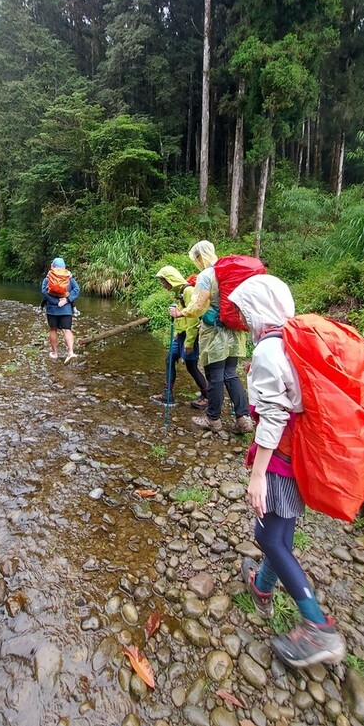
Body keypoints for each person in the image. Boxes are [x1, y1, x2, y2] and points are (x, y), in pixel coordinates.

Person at [228, 273, 346, 668]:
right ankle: (262, 588)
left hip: (280, 457)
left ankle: (318, 628)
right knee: (281, 529)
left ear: (258, 310)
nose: (243, 318)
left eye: (245, 310)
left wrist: (258, 474)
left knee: (268, 537)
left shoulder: (267, 351)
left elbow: (274, 416)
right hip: (303, 452)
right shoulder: (291, 340)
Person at [170, 240, 254, 433]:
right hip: (234, 329)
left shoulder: (207, 275)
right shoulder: (228, 271)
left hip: (215, 333)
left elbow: (198, 305)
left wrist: (181, 313)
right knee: (230, 374)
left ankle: (213, 419)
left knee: (215, 375)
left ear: (199, 257)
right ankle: (244, 419)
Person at [150, 266, 208, 408]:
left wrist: (189, 343)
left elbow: (193, 318)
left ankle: (207, 396)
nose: (163, 285)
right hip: (180, 335)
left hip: (189, 336)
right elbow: (182, 315)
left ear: (171, 280)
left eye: (164, 282)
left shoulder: (188, 291)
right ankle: (167, 394)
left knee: (191, 367)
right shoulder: (179, 292)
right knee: (170, 360)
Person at [41, 257, 80, 363]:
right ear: (64, 267)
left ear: (52, 266)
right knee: (67, 330)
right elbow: (77, 289)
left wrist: (54, 302)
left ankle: (55, 353)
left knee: (53, 329)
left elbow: (44, 291)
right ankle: (71, 352)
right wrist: (67, 300)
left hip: (52, 310)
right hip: (66, 309)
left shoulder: (49, 277)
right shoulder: (69, 277)